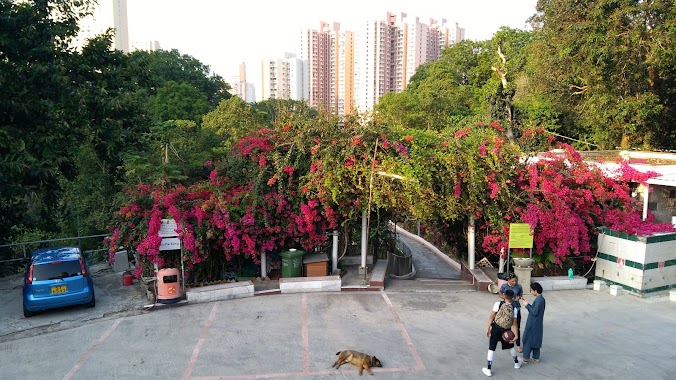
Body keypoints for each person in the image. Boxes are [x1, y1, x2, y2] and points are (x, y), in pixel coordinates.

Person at [482, 289, 523, 377]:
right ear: (513, 298)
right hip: (507, 331)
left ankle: (488, 369)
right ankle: (516, 363)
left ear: (504, 296)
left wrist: (488, 328)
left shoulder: (498, 304)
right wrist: (516, 335)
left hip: (496, 329)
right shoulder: (514, 308)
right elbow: (515, 324)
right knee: (511, 346)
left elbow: (491, 317)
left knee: (491, 348)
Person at [519, 282, 546, 363]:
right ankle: (536, 357)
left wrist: (526, 305)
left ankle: (525, 357)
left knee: (528, 340)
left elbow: (534, 312)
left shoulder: (538, 300)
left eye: (531, 290)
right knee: (536, 340)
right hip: (538, 323)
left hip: (532, 323)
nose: (531, 292)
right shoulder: (541, 299)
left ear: (535, 291)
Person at [499, 272, 524, 353]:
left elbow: (520, 295)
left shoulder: (519, 287)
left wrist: (518, 298)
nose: (514, 282)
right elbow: (500, 294)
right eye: (512, 281)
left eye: (515, 281)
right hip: (506, 308)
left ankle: (518, 345)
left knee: (517, 327)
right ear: (508, 280)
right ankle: (505, 339)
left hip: (516, 308)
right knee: (504, 324)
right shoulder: (504, 286)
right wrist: (506, 298)